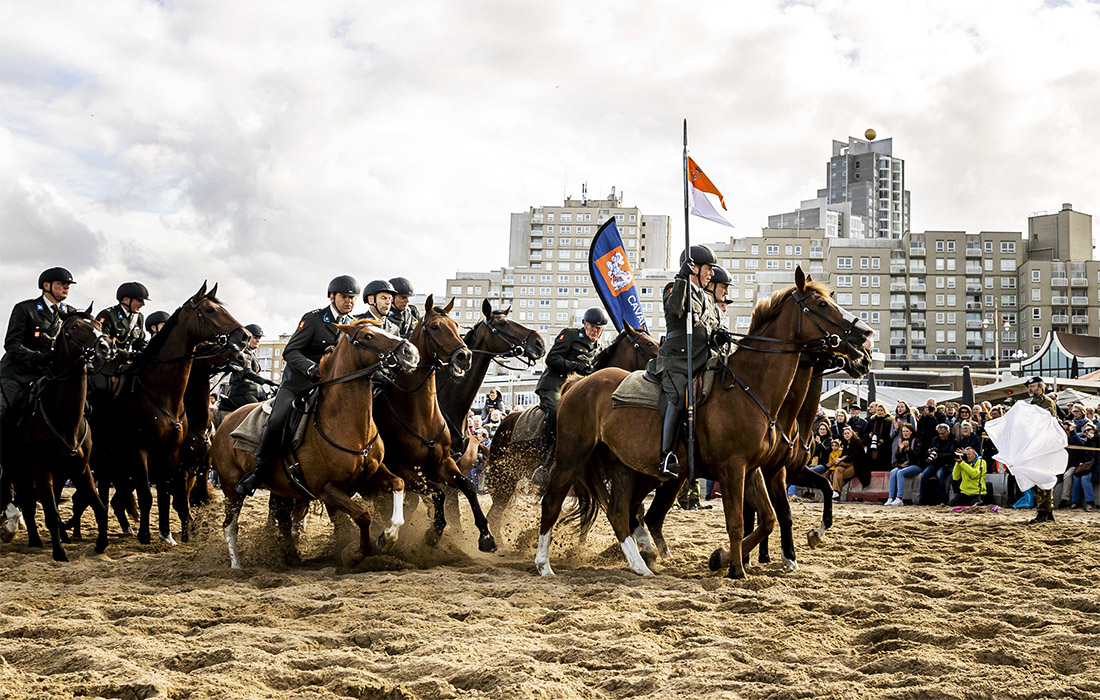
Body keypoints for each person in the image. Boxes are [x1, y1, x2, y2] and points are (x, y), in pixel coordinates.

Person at [235, 275, 360, 497]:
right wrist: (311, 368)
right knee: (276, 421)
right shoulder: (313, 319)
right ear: (332, 297)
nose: (349, 301)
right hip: (298, 384)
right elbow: (290, 351)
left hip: (328, 388)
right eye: (344, 296)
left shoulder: (352, 324)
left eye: (352, 298)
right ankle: (259, 473)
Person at [648, 244, 723, 480]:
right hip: (676, 361)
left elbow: (712, 327)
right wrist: (681, 278)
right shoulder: (675, 287)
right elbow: (676, 309)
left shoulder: (707, 299)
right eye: (708, 269)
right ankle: (666, 455)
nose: (711, 274)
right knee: (679, 396)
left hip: (701, 360)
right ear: (695, 269)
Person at [0, 267, 78, 423]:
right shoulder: (25, 309)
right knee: (6, 410)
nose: (66, 287)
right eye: (61, 283)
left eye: (68, 285)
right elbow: (12, 344)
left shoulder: (71, 314)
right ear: (46, 285)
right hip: (18, 374)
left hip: (49, 375)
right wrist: (38, 357)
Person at [534, 306, 607, 435]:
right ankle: (544, 446)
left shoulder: (599, 349)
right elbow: (551, 359)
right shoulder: (570, 335)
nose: (595, 331)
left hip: (576, 390)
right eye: (592, 327)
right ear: (584, 323)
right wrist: (575, 366)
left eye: (598, 328)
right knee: (557, 412)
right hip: (554, 385)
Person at [91, 281, 150, 395]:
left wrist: (146, 352)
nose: (143, 304)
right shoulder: (108, 315)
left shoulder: (139, 318)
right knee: (100, 388)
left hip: (127, 364)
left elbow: (140, 341)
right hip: (105, 365)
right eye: (139, 300)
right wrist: (128, 355)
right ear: (126, 300)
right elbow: (103, 345)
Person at [219, 324, 278, 415]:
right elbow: (247, 372)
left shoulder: (251, 353)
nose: (258, 340)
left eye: (259, 338)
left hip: (256, 392)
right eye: (255, 337)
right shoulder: (242, 354)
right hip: (243, 391)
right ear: (246, 338)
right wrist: (266, 381)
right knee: (258, 413)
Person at [1024, 376, 1059, 524]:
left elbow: (1045, 423)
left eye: (1033, 386)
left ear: (1041, 387)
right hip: (1036, 445)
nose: (1030, 389)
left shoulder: (1046, 402)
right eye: (1029, 387)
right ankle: (1047, 511)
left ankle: (1043, 511)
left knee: (1043, 479)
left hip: (1044, 445)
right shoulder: (1032, 403)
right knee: (1039, 479)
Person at [919, 423, 957, 505]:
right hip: (935, 463)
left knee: (939, 475)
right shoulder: (935, 439)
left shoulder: (953, 440)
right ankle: (922, 499)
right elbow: (928, 451)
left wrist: (939, 456)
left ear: (948, 432)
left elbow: (952, 454)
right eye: (939, 433)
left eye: (943, 433)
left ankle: (942, 498)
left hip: (947, 464)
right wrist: (929, 452)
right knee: (924, 475)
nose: (941, 435)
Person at [886, 423, 921, 506]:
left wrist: (908, 449)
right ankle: (890, 497)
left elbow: (916, 457)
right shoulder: (902, 440)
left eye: (907, 431)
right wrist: (901, 450)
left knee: (900, 473)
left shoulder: (915, 441)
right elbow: (898, 458)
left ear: (911, 432)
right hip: (905, 465)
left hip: (916, 465)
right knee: (893, 472)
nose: (905, 433)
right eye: (903, 431)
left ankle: (899, 498)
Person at [829, 425, 865, 499]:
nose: (846, 435)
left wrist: (842, 459)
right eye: (845, 434)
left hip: (857, 465)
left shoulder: (856, 441)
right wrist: (842, 458)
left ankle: (836, 496)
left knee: (837, 474)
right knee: (838, 470)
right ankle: (836, 493)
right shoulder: (845, 442)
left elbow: (854, 456)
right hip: (848, 463)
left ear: (852, 433)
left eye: (848, 433)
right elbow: (844, 454)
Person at [1067, 422, 1097, 511]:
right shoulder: (1085, 441)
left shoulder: (1097, 439)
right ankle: (1075, 502)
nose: (1087, 432)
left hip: (1094, 467)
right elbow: (1077, 442)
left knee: (1085, 479)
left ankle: (1090, 503)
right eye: (1085, 431)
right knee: (1076, 478)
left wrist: (1094, 437)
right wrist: (1072, 431)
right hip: (1085, 466)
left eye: (1089, 430)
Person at [864, 403, 893, 472]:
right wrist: (869, 435)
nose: (879, 412)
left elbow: (891, 435)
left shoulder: (889, 421)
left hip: (885, 448)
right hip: (872, 446)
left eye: (881, 410)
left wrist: (884, 440)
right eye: (878, 410)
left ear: (884, 411)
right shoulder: (872, 421)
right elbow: (864, 432)